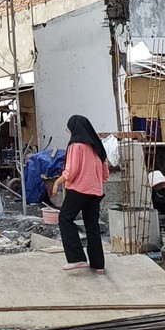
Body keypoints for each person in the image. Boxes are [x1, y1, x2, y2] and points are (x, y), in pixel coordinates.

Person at [58, 114, 109, 273]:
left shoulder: (76, 144)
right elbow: (105, 173)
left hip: (79, 188)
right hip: (96, 190)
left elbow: (71, 171)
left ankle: (77, 258)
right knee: (92, 226)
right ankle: (98, 265)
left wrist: (58, 182)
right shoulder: (97, 145)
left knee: (65, 218)